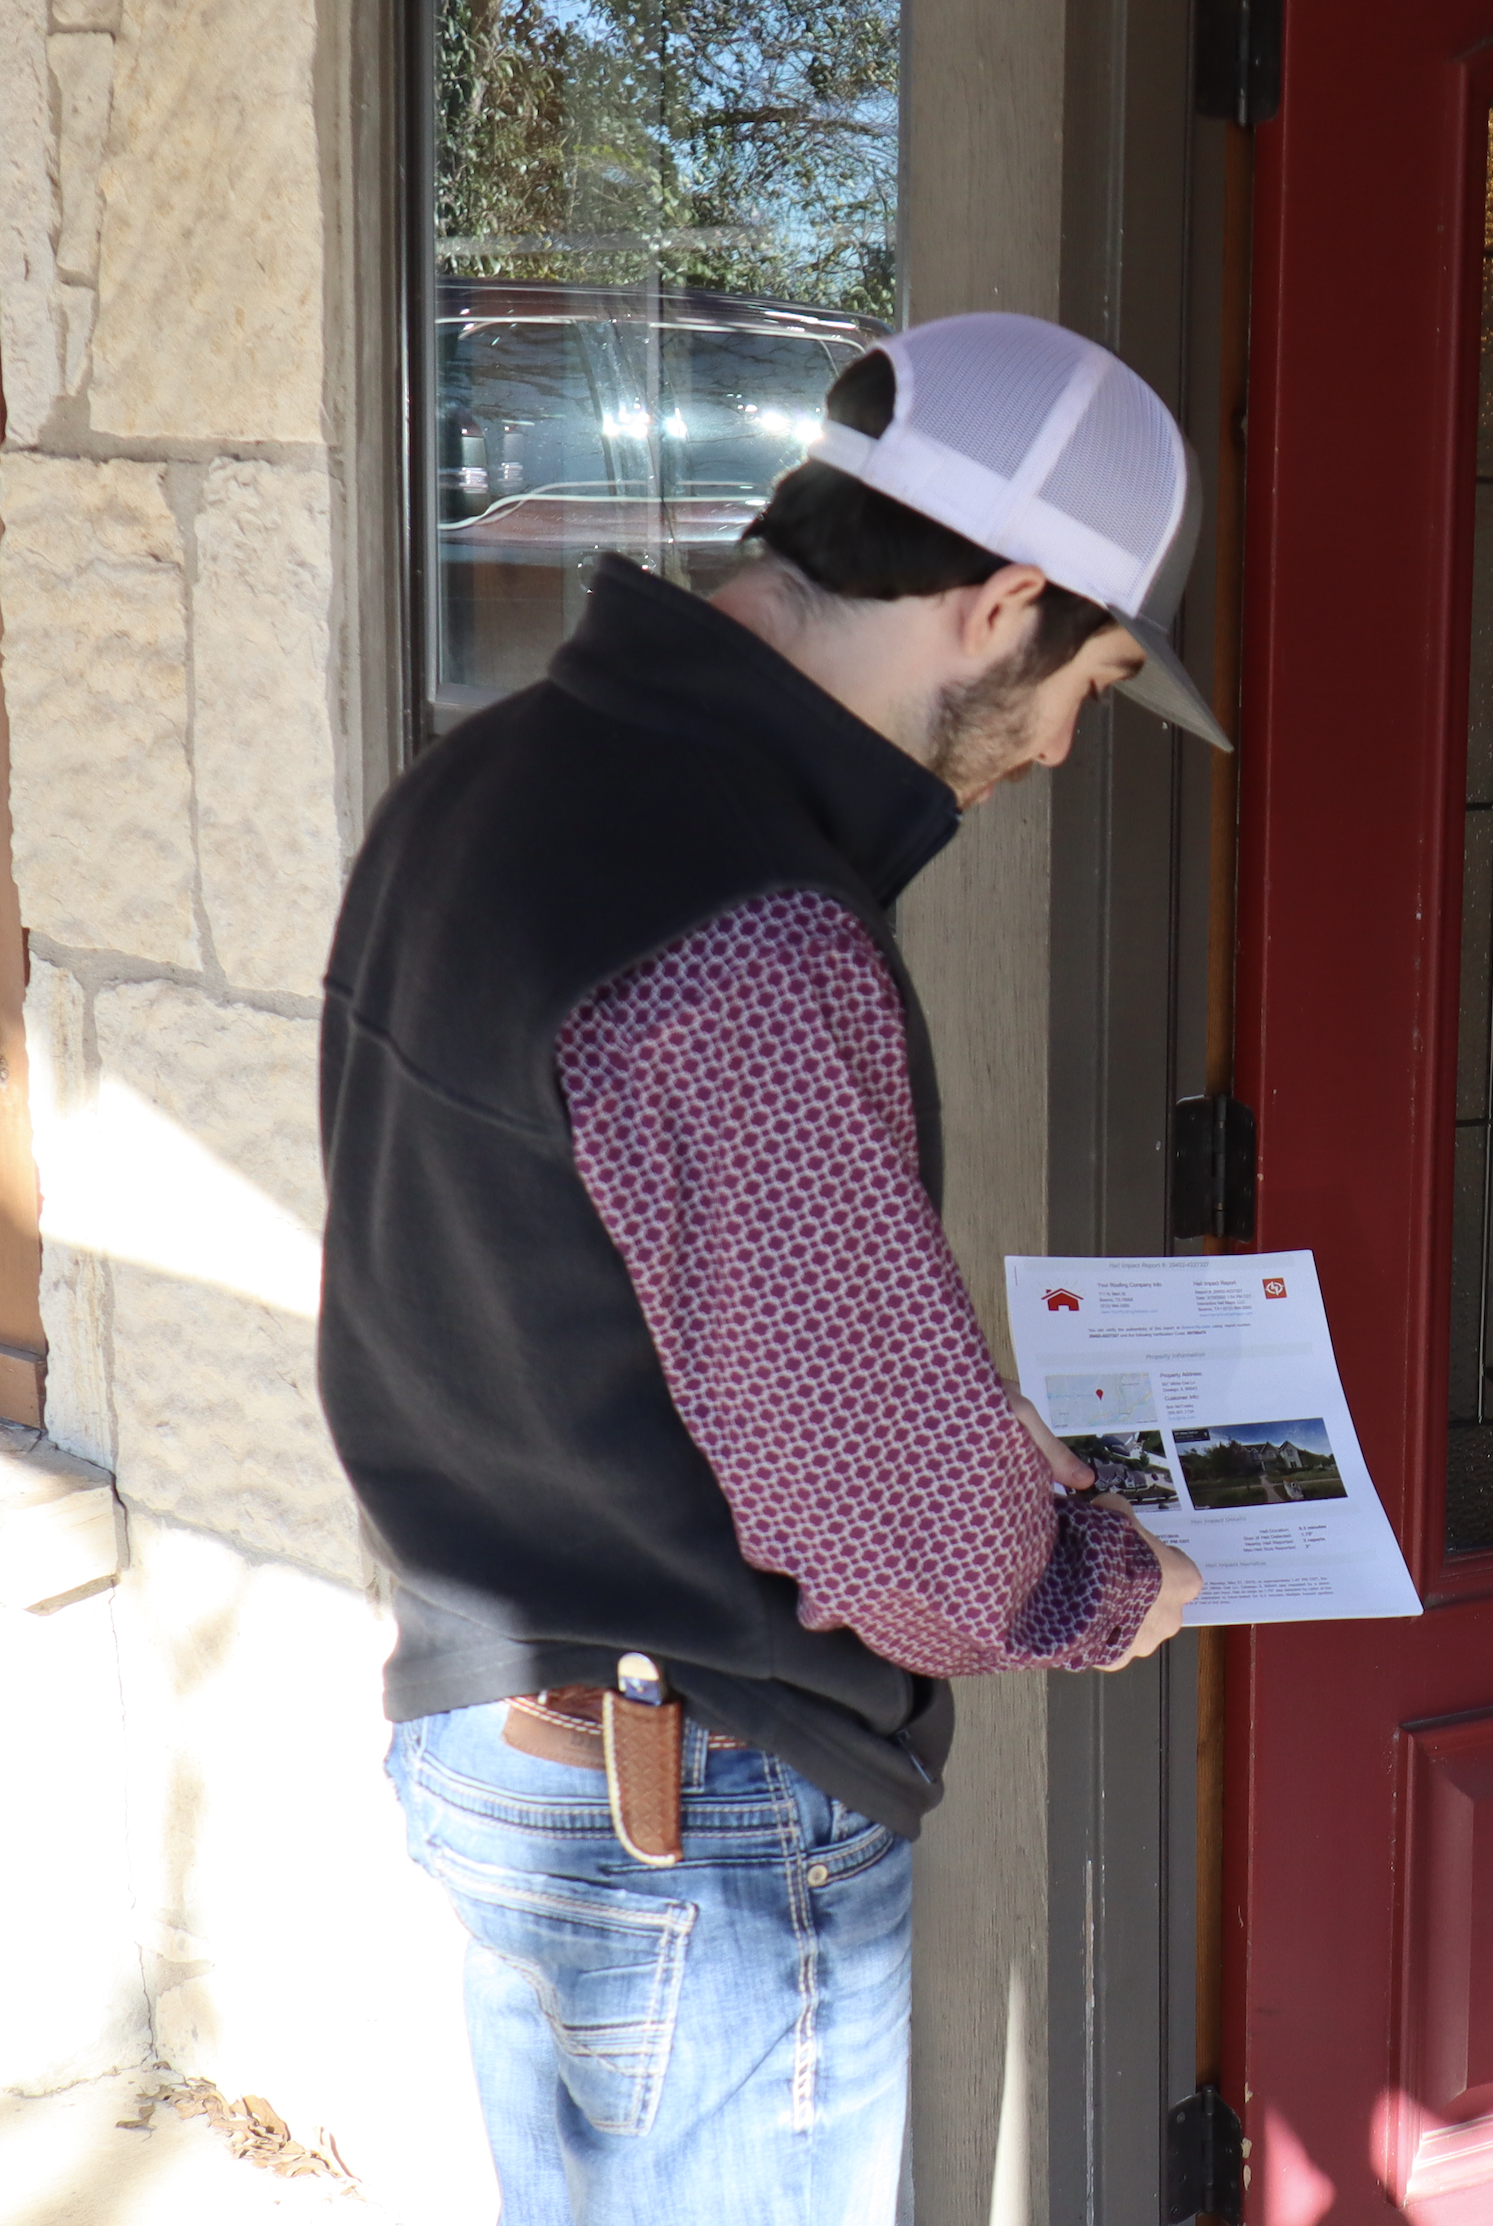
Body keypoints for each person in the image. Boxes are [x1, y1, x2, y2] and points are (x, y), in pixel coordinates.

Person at [318, 312, 1210, 2225]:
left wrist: (971, 1459)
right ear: (1006, 599)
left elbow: (587, 1293)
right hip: (700, 1807)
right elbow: (894, 1527)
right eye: (1096, 682)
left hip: (506, 1725)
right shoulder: (747, 928)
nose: (1063, 746)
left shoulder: (483, 784)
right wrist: (1090, 1576)